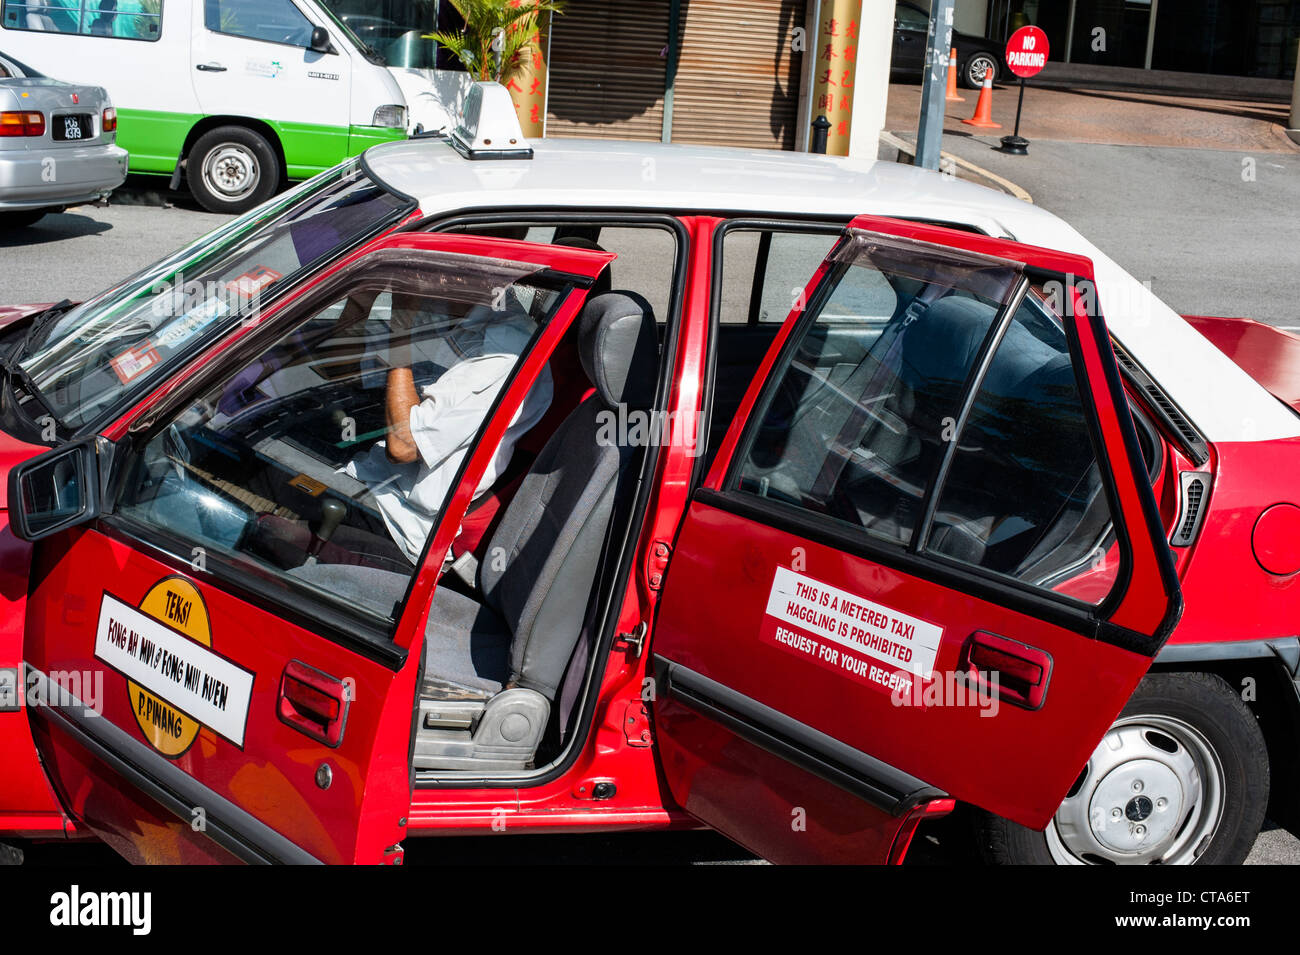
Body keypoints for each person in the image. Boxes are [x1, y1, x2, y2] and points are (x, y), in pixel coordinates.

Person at [345, 294, 552, 565]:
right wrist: (360, 300)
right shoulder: (438, 306)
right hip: (372, 480)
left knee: (273, 528)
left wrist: (400, 335)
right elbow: (338, 368)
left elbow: (404, 446)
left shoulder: (504, 350)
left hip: (401, 523)